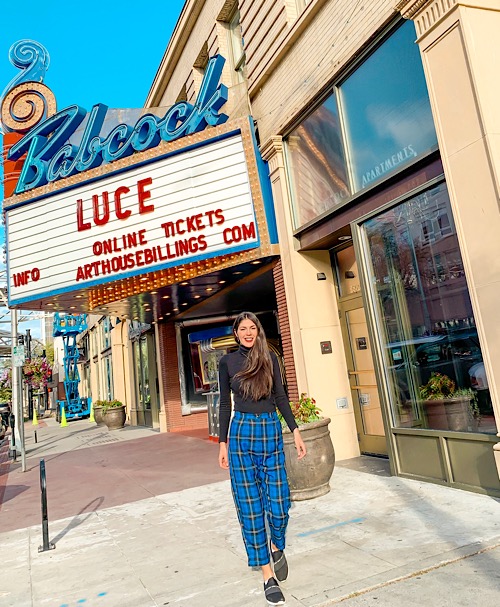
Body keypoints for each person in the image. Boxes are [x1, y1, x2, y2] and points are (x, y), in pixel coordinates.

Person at [218, 311, 307, 606]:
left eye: (252, 328)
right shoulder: (227, 362)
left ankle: (276, 545)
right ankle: (268, 575)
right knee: (251, 508)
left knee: (280, 504)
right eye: (242, 328)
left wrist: (295, 430)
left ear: (258, 331)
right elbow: (224, 405)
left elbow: (281, 396)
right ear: (236, 333)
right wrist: (222, 443)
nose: (247, 332)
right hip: (241, 434)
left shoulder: (270, 358)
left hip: (270, 430)